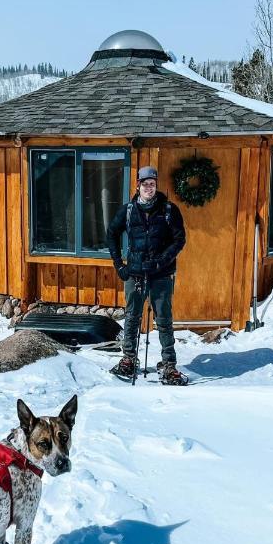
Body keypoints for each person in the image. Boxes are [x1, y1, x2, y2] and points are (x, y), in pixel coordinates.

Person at [106, 165, 188, 385]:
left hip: (161, 274)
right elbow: (111, 234)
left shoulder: (169, 210)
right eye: (145, 184)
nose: (149, 188)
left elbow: (179, 240)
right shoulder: (128, 210)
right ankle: (128, 359)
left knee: (164, 319)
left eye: (152, 184)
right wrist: (119, 265)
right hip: (134, 272)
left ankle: (169, 365)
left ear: (156, 185)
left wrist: (161, 261)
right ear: (138, 185)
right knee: (132, 317)